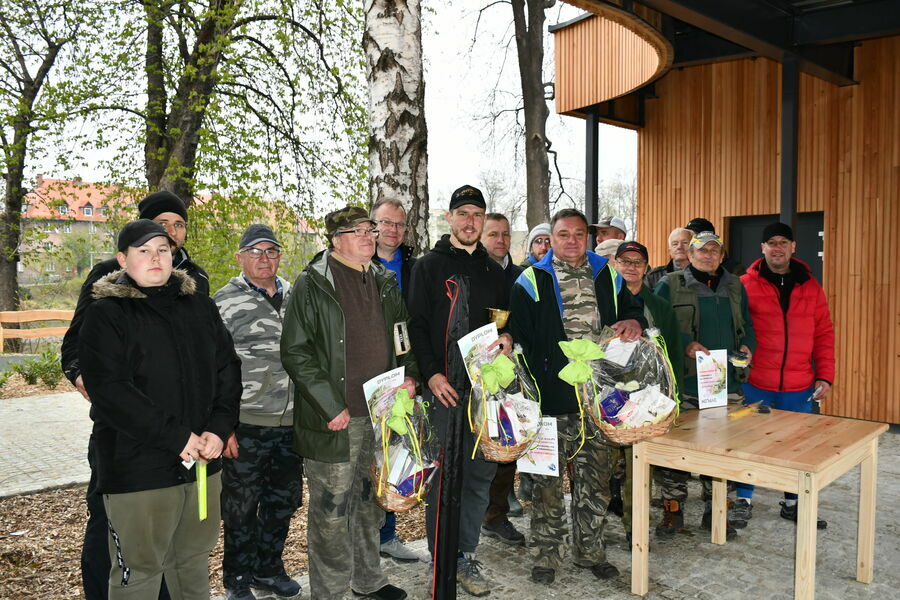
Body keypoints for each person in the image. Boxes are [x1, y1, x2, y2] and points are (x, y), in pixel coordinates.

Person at [78, 219, 241, 599]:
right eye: (144, 251)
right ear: (122, 259)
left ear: (174, 255)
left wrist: (218, 429)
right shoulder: (106, 315)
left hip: (201, 465)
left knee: (191, 564)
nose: (156, 258)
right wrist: (176, 436)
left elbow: (227, 369)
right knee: (140, 573)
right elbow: (111, 392)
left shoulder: (199, 305)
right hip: (138, 471)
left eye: (163, 250)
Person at [61, 190, 210, 600]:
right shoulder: (109, 277)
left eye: (178, 225)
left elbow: (213, 354)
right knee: (114, 532)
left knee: (180, 541)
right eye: (161, 225)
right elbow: (76, 343)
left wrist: (216, 419)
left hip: (188, 438)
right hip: (128, 438)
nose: (170, 234)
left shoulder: (194, 280)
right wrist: (85, 379)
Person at [281, 206, 418, 600]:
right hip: (336, 420)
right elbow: (295, 352)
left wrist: (410, 376)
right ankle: (331, 592)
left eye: (371, 230)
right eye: (359, 231)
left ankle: (368, 580)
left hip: (381, 414)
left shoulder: (385, 281)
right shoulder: (312, 284)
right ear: (336, 238)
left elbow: (402, 337)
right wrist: (329, 405)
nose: (370, 236)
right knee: (331, 511)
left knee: (370, 503)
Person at [508, 208, 645, 586]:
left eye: (578, 234)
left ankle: (590, 552)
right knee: (546, 483)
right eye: (563, 234)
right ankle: (546, 555)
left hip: (600, 397)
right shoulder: (530, 280)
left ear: (588, 237)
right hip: (549, 398)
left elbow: (634, 309)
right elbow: (518, 336)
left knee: (596, 481)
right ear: (550, 239)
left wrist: (635, 321)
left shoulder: (607, 272)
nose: (572, 240)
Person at [407, 185, 512, 597]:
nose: (470, 221)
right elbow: (414, 325)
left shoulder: (495, 270)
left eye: (477, 214)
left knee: (479, 476)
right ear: (449, 218)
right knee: (442, 479)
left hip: (484, 393)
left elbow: (506, 323)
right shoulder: (428, 267)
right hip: (444, 392)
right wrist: (431, 374)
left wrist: (508, 339)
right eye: (463, 213)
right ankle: (442, 557)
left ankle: (466, 554)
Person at [213, 225, 303, 600]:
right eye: (255, 251)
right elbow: (211, 368)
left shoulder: (296, 295)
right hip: (246, 423)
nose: (264, 258)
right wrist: (222, 427)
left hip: (291, 422)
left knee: (283, 501)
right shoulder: (222, 302)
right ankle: (237, 578)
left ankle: (269, 569)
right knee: (241, 507)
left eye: (271, 251)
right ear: (240, 257)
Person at [654, 230, 756, 539]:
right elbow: (656, 328)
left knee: (724, 450)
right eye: (702, 250)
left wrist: (748, 345)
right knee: (675, 451)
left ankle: (717, 511)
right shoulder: (670, 284)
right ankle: (673, 510)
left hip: (727, 385)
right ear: (690, 253)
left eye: (714, 250)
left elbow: (748, 325)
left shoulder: (735, 286)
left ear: (721, 255)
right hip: (685, 382)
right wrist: (685, 343)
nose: (708, 255)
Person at [733, 222, 834, 529]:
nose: (777, 247)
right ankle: (742, 500)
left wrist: (825, 376)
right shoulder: (743, 284)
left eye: (783, 242)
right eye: (771, 242)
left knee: (797, 447)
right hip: (755, 384)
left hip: (798, 385)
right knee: (748, 441)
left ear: (793, 247)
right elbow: (736, 329)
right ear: (762, 248)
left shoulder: (811, 286)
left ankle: (793, 502)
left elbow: (824, 334)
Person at [611, 241, 685, 541]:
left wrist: (671, 397)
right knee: (605, 470)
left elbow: (673, 355)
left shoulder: (660, 307)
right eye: (624, 261)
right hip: (610, 398)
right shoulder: (606, 301)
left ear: (646, 267)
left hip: (648, 400)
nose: (631, 267)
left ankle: (634, 529)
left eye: (638, 262)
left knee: (637, 469)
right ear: (615, 264)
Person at [371, 198, 425, 563]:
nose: (393, 231)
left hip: (405, 373)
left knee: (397, 455)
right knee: (367, 460)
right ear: (371, 226)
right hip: (368, 374)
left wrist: (415, 375)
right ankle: (363, 540)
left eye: (399, 225)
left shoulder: (415, 267)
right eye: (385, 223)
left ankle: (387, 535)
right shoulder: (357, 262)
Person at [479, 213, 526, 546]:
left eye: (505, 234)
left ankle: (496, 515)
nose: (500, 240)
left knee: (507, 445)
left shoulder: (521, 277)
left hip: (511, 375)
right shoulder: (470, 272)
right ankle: (470, 516)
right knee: (476, 450)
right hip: (474, 375)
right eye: (492, 234)